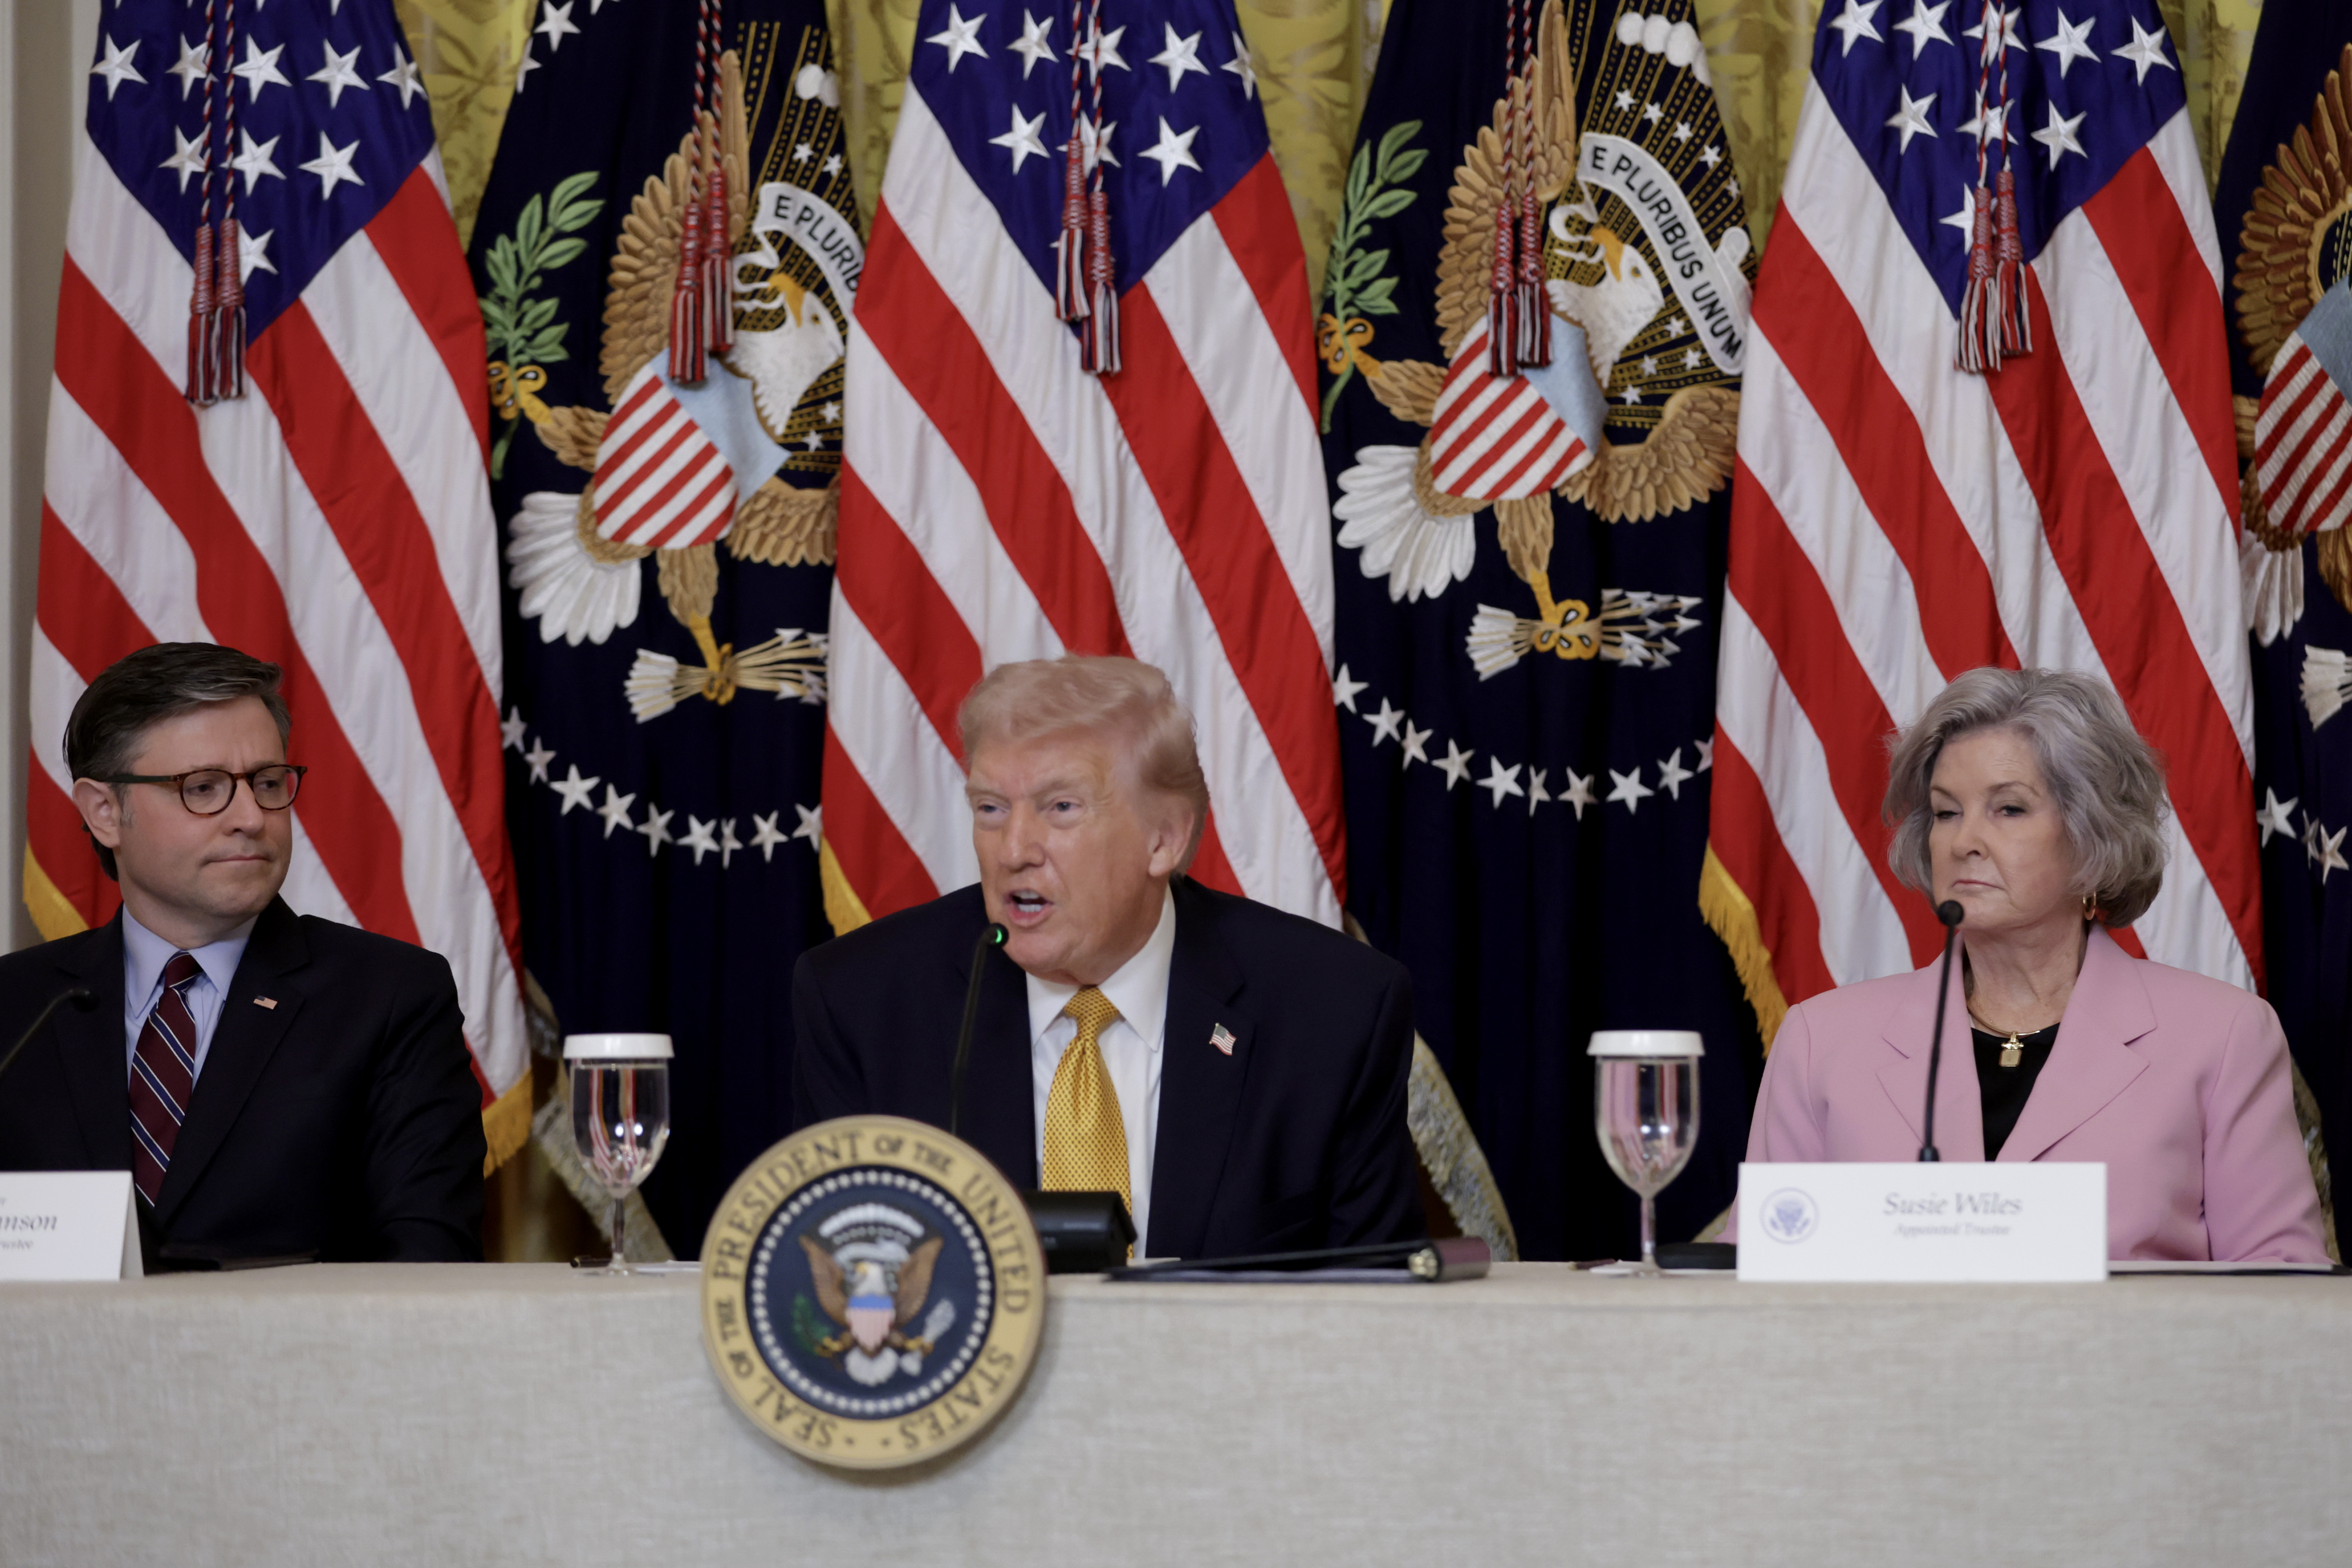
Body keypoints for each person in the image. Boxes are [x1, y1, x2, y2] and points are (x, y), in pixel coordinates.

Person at [793, 655, 1421, 1258]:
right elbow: (836, 1279)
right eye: (990, 809)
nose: (1013, 851)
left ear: (1165, 839)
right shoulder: (862, 1001)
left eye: (1060, 808)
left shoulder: (1332, 1010)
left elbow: (1372, 1309)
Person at [1742, 667, 2325, 1262]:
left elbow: (2280, 1285)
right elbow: (1757, 1270)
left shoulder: (2222, 1036)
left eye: (2009, 810)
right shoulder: (1822, 1040)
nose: (1964, 840)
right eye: (1946, 813)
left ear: (2092, 835)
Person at [0, 644, 486, 1264]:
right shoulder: (17, 1006)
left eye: (266, 783)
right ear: (104, 813)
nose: (252, 818)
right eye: (203, 788)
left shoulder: (390, 997)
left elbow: (428, 1260)